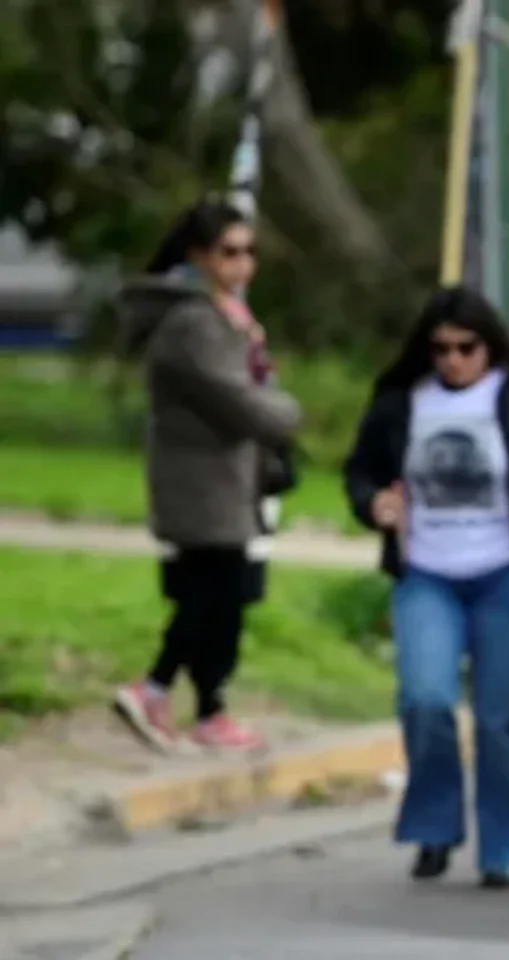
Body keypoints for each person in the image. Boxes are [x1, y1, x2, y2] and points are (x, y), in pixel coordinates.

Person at [342, 286, 509, 889]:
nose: (454, 360)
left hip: (508, 571)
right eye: (440, 349)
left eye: (467, 348)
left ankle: (501, 845)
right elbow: (358, 470)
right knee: (425, 699)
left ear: (490, 347)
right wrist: (373, 503)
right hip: (426, 572)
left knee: (497, 717)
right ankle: (435, 828)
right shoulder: (400, 401)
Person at [112, 197, 301, 753]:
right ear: (198, 256)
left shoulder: (222, 318)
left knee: (217, 594)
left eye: (249, 253)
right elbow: (238, 401)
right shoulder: (195, 323)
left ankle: (205, 707)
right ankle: (155, 688)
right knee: (210, 593)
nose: (242, 265)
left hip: (226, 479)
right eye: (229, 253)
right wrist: (288, 413)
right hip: (202, 483)